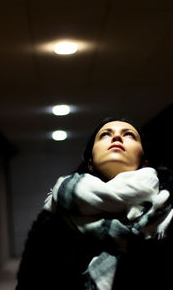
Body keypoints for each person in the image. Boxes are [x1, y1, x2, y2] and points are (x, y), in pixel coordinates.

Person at [15, 117, 173, 290]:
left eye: (129, 135)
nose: (117, 138)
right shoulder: (56, 214)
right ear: (90, 162)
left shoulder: (166, 212)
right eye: (105, 134)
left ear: (144, 160)